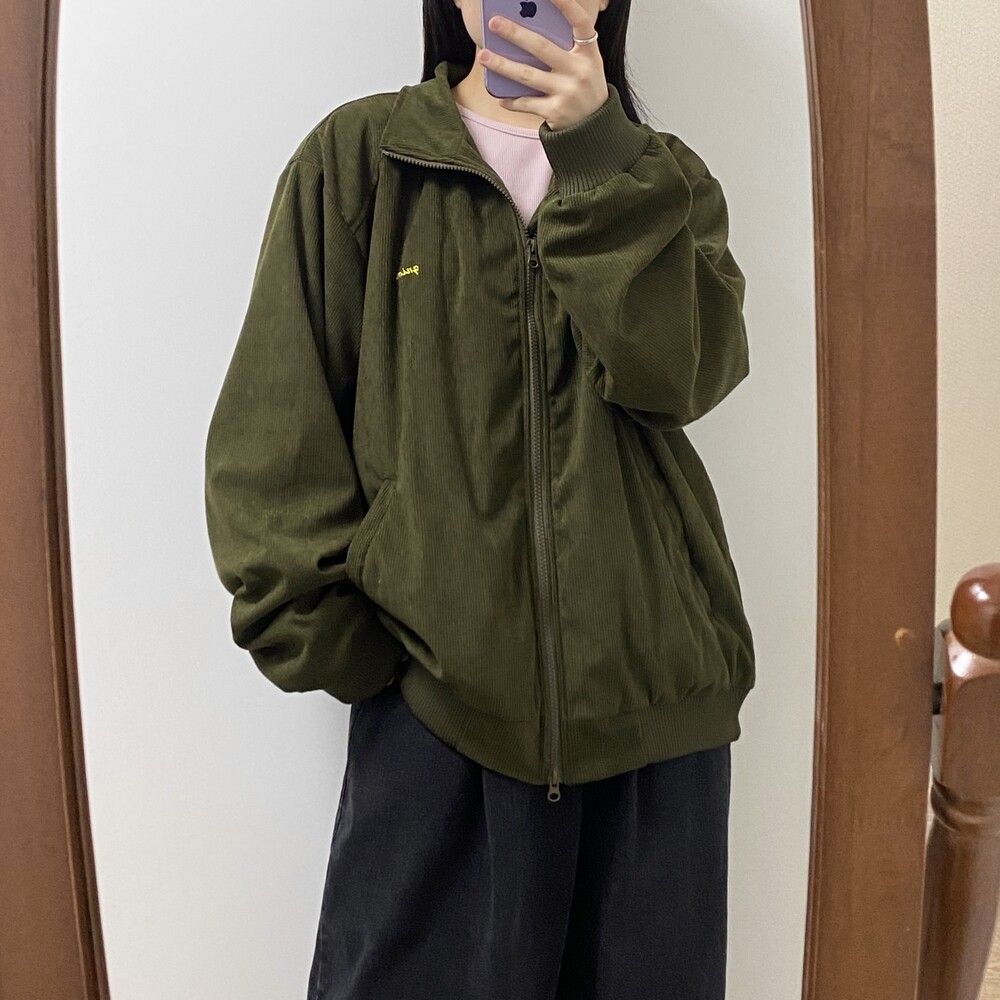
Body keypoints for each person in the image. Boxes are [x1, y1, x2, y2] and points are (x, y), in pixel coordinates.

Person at [204, 0, 755, 996]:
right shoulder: (361, 162)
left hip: (656, 723)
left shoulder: (660, 177)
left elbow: (683, 376)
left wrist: (599, 158)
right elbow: (276, 439)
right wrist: (369, 660)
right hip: (436, 721)